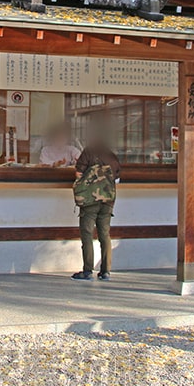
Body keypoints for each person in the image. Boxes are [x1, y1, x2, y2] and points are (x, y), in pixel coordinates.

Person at [71, 119, 121, 282]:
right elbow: (118, 178)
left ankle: (87, 270)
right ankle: (105, 271)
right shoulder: (111, 155)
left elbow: (78, 174)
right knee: (104, 234)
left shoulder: (88, 152)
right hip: (108, 200)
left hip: (90, 200)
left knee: (87, 233)